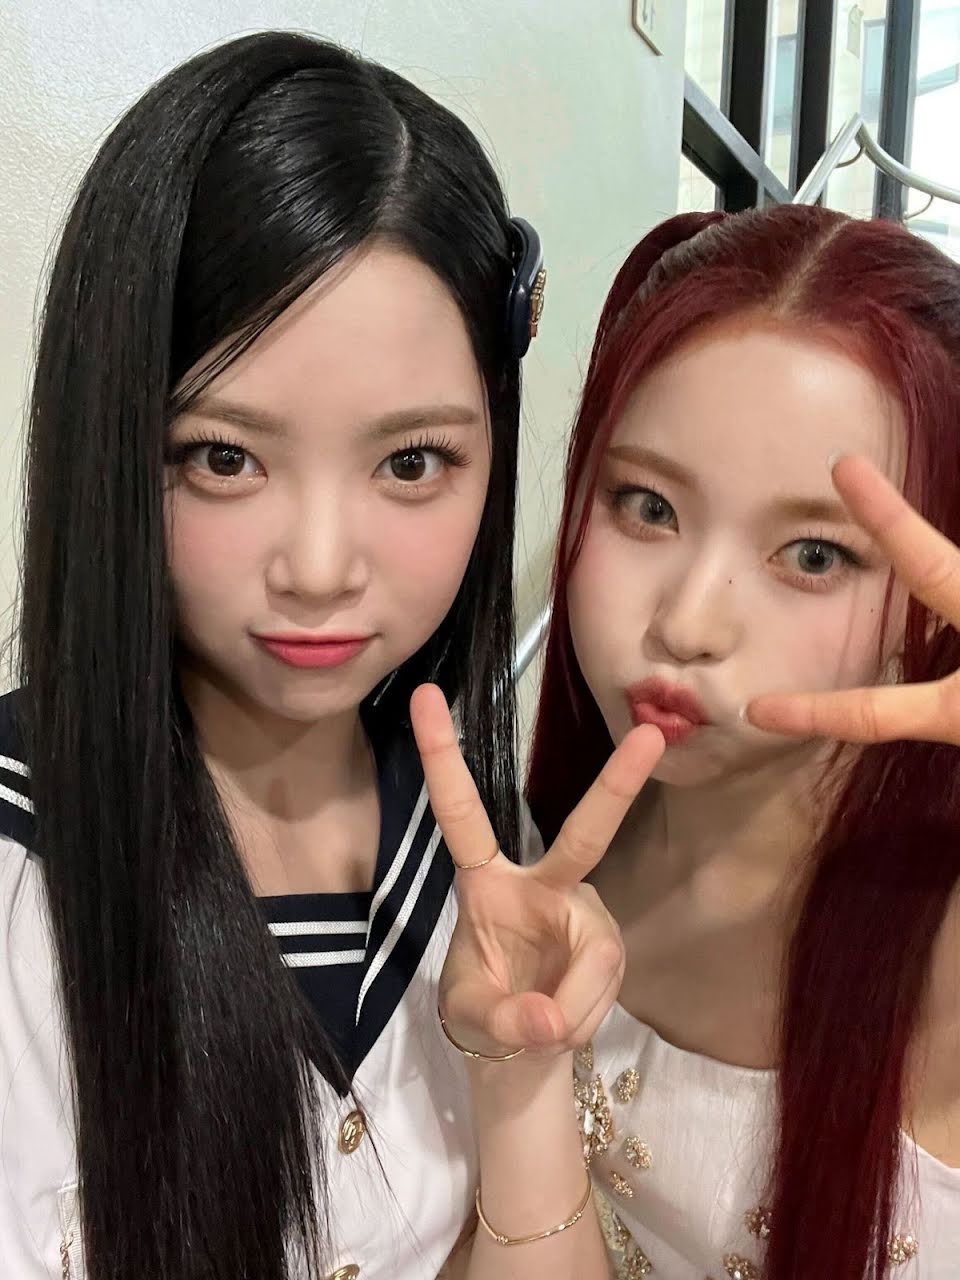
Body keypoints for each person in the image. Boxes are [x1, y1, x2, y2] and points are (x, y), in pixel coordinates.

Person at [0, 29, 556, 1280]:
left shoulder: (483, 851)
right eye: (225, 456)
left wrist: (528, 1079)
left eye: (410, 461)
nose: (318, 565)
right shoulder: (24, 864)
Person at [429, 206, 960, 1280]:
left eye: (814, 554)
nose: (688, 622)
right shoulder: (520, 877)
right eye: (648, 504)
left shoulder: (937, 944)